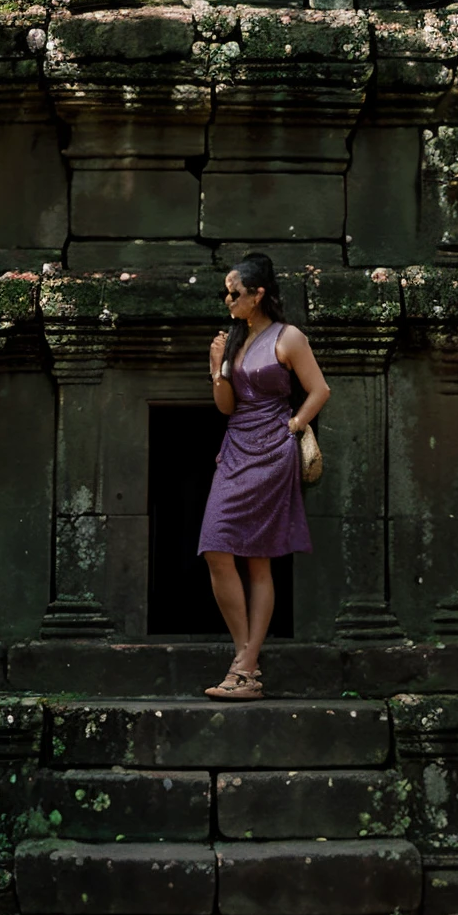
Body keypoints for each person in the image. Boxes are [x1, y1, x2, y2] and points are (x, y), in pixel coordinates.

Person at [198, 251, 330, 700]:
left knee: (258, 558)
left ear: (258, 295)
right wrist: (218, 368)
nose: (227, 300)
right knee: (217, 547)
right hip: (235, 447)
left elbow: (319, 390)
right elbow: (226, 406)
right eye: (226, 293)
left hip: (273, 450)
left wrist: (293, 426)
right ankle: (245, 661)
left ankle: (245, 669)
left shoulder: (288, 337)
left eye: (234, 293)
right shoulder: (234, 339)